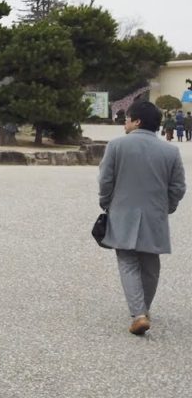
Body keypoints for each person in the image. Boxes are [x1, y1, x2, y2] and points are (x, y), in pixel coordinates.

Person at [98, 101, 185, 335]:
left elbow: (106, 180)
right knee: (150, 265)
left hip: (123, 212)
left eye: (127, 118)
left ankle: (138, 314)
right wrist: (168, 206)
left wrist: (106, 202)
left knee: (127, 260)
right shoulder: (170, 151)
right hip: (155, 214)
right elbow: (178, 187)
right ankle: (144, 310)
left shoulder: (116, 146)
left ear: (137, 121)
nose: (124, 122)